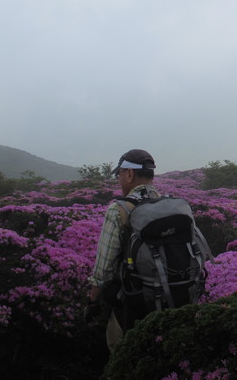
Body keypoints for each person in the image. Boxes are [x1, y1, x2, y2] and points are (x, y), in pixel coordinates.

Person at [84, 149, 159, 352]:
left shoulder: (119, 210)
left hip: (133, 303)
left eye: (119, 174)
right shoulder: (170, 204)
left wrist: (92, 301)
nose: (119, 179)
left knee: (122, 354)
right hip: (173, 298)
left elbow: (104, 269)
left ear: (129, 174)